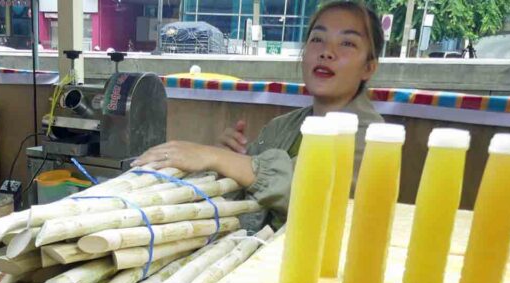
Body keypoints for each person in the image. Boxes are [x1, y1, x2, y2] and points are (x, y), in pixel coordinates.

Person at [133, 1, 385, 229]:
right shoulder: (281, 127)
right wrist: (225, 164)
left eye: (347, 43)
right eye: (317, 39)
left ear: (369, 67)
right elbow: (237, 203)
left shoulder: (373, 139)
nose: (327, 52)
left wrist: (216, 157)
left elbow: (313, 193)